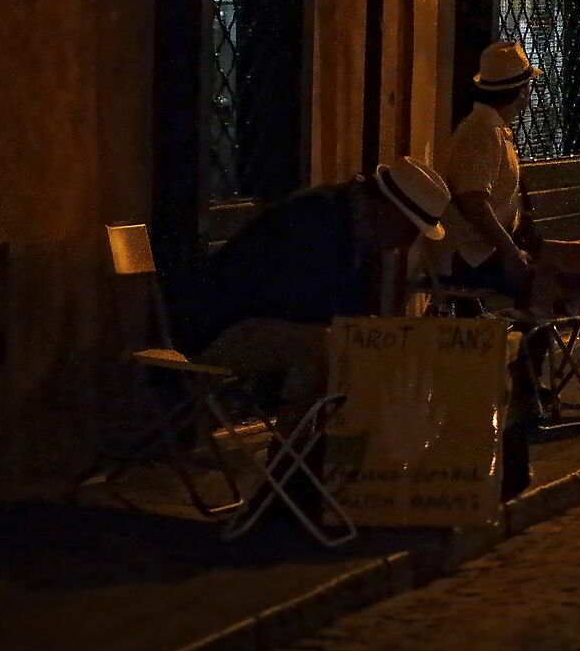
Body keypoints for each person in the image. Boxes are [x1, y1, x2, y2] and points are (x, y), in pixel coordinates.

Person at [174, 160, 451, 412]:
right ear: (386, 210)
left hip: (260, 322)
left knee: (353, 347)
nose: (406, 244)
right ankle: (297, 448)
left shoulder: (357, 229)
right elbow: (302, 304)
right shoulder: (317, 219)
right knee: (324, 349)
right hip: (220, 327)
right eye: (408, 230)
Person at [440, 41, 541, 299]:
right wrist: (509, 252)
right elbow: (473, 201)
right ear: (521, 92)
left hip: (487, 249)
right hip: (474, 255)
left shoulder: (492, 127)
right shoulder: (483, 132)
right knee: (550, 282)